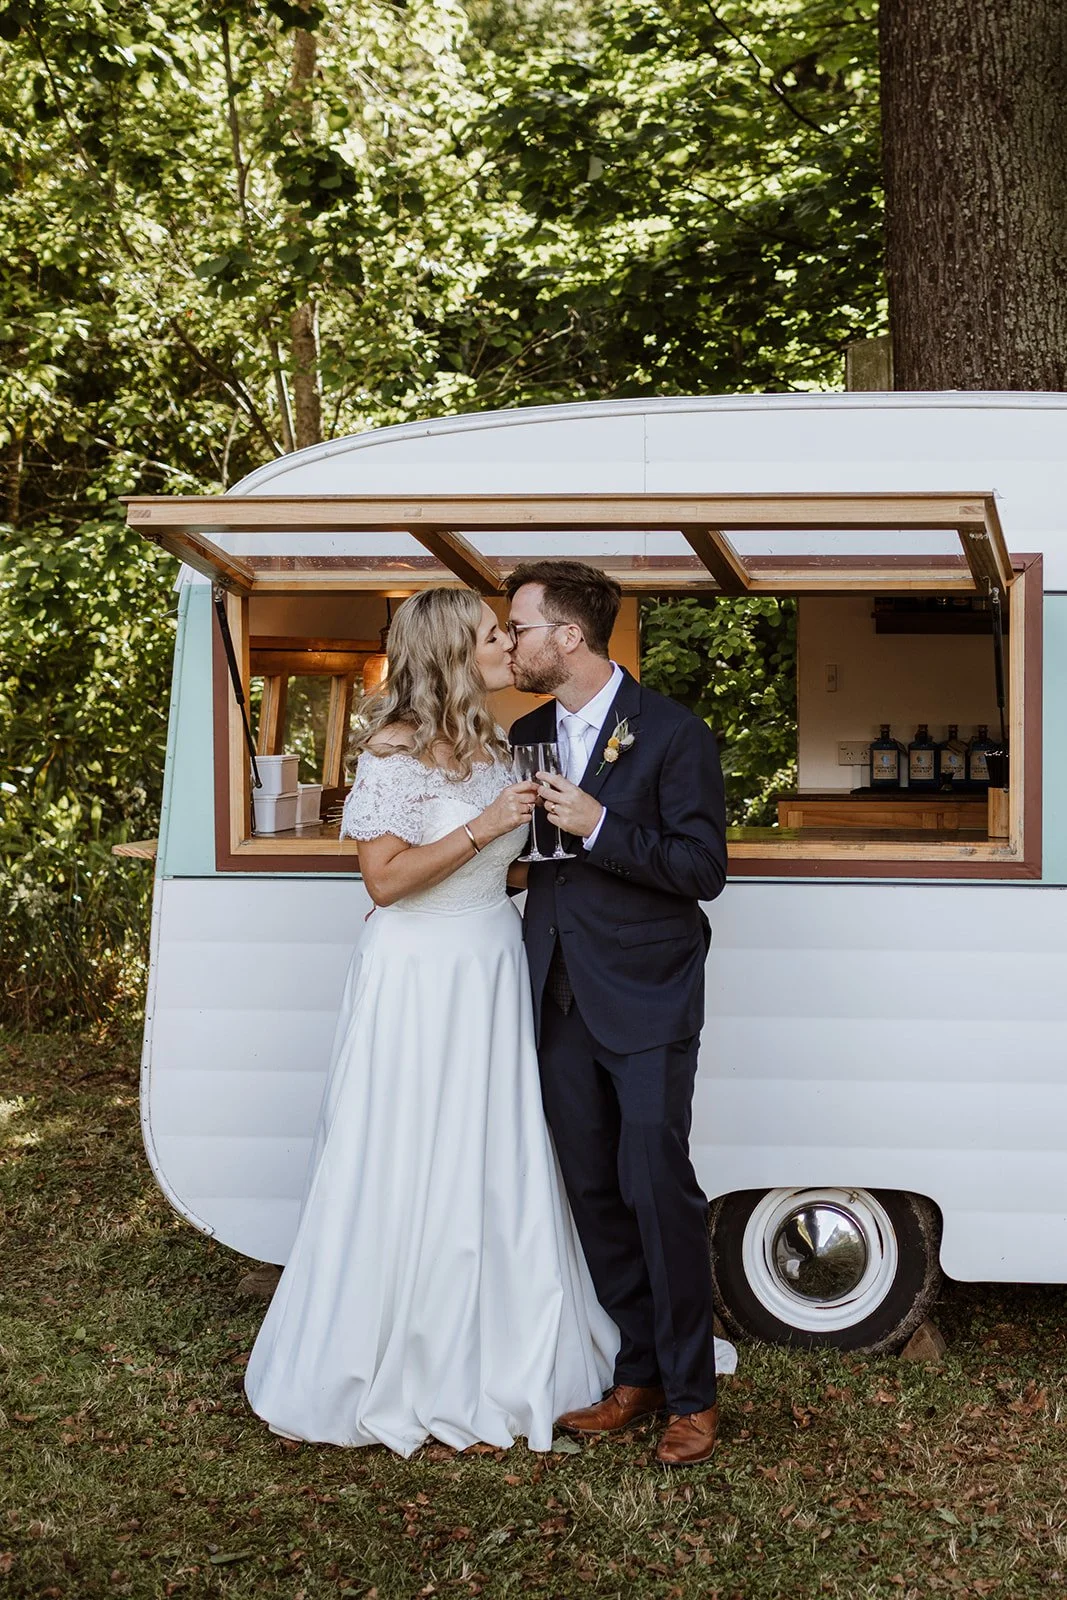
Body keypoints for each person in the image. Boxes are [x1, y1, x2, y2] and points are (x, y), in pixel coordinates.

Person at [244, 588, 617, 1456]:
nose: (508, 647)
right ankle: (390, 1357)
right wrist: (488, 826)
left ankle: (503, 1339)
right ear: (454, 653)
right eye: (493, 637)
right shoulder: (393, 754)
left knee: (490, 1150)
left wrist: (566, 876)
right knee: (408, 1148)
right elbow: (385, 880)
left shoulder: (494, 746)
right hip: (418, 975)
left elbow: (498, 874)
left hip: (489, 962)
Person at [507, 560, 730, 1468]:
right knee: (592, 1192)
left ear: (569, 635)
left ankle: (690, 1394)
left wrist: (599, 824)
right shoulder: (523, 732)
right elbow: (528, 862)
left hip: (645, 996)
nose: (509, 641)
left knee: (653, 1186)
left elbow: (701, 870)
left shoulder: (675, 734)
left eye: (519, 625)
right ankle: (634, 1372)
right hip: (555, 992)